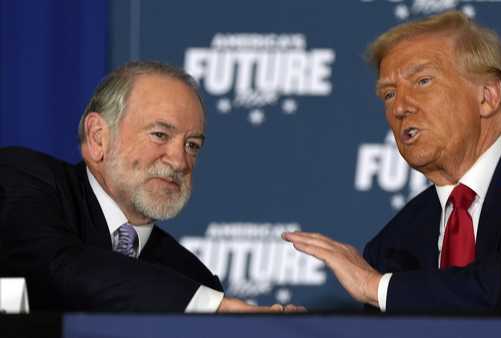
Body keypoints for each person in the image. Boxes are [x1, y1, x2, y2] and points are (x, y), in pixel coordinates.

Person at [283, 11, 501, 311]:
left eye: (422, 82)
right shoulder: (393, 243)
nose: (401, 108)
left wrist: (380, 288)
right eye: (389, 94)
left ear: (487, 96)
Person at [0, 61, 297, 312]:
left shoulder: (191, 277)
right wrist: (209, 307)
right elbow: (60, 267)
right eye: (159, 135)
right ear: (98, 137)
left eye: (192, 145)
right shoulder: (24, 178)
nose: (180, 161)